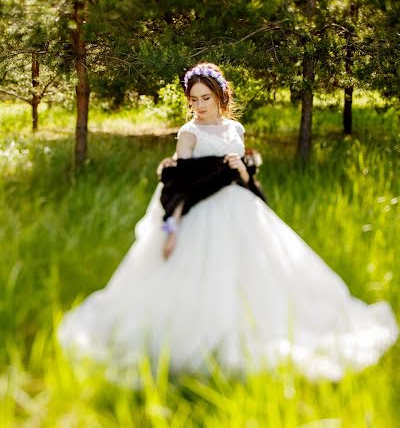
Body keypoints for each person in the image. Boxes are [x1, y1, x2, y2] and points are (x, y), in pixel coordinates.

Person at [57, 62, 398, 384]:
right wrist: (170, 230)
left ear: (221, 97)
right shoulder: (188, 134)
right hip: (200, 214)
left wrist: (241, 167)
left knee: (258, 274)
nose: (200, 105)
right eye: (194, 99)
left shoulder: (235, 128)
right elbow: (179, 185)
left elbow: (245, 172)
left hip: (239, 210)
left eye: (206, 98)